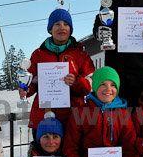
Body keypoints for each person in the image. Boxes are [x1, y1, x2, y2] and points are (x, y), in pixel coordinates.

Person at [20, 8, 96, 136]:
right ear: (50, 29)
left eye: (66, 24)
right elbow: (31, 81)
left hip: (72, 117)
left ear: (70, 29)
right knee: (43, 154)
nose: (62, 28)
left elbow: (90, 85)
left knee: (70, 154)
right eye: (57, 24)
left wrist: (76, 82)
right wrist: (26, 89)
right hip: (43, 116)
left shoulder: (81, 54)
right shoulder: (38, 54)